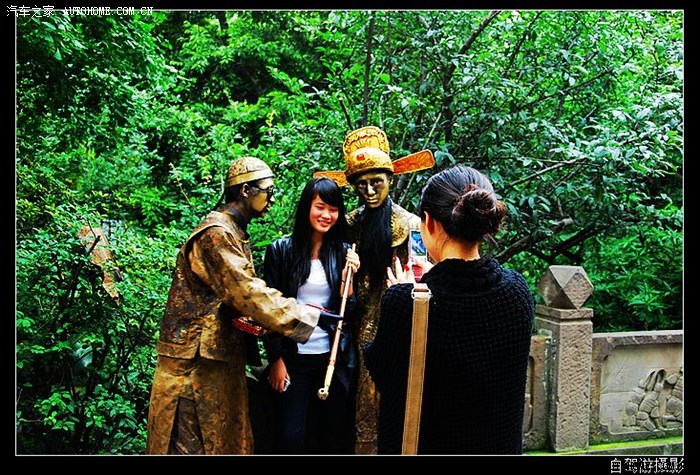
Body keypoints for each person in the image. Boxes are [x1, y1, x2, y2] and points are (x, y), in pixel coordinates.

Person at [146, 156, 342, 455]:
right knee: (191, 445)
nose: (271, 199)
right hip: (192, 365)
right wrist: (307, 317)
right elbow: (247, 293)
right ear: (246, 190)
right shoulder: (216, 234)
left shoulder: (234, 232)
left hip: (218, 359)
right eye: (267, 191)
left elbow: (234, 303)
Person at [363, 165, 535, 454]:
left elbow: (382, 371)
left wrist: (406, 293)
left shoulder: (405, 302)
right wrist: (432, 280)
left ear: (428, 222)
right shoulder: (517, 290)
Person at [314, 126, 434, 454]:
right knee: (358, 403)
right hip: (355, 326)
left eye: (376, 182)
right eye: (361, 184)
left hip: (399, 325)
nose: (369, 190)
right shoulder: (349, 225)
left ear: (390, 180)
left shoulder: (411, 226)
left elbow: (423, 277)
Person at [261, 177, 360, 454]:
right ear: (307, 207)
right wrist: (276, 360)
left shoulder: (343, 253)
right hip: (294, 358)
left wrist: (349, 283)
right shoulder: (280, 250)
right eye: (320, 207)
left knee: (330, 436)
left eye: (333, 209)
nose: (326, 215)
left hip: (331, 358)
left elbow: (348, 313)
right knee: (290, 437)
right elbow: (269, 310)